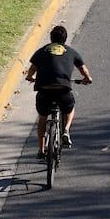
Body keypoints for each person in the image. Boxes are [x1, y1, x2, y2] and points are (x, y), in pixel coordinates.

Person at [25, 25, 92, 159]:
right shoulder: (71, 52)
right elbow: (83, 70)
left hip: (44, 91)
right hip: (63, 90)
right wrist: (87, 79)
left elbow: (31, 70)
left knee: (42, 117)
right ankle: (66, 129)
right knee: (70, 108)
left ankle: (41, 150)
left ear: (51, 38)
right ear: (65, 39)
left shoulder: (41, 51)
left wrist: (31, 77)